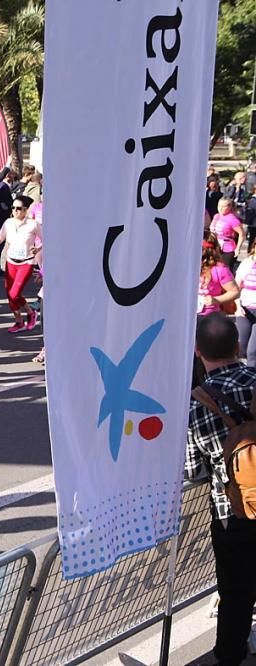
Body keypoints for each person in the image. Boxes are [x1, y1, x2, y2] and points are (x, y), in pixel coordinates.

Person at [186, 313, 256, 666]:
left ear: (198, 352)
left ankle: (230, 655)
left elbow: (193, 469)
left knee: (235, 592)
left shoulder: (198, 403)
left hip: (234, 512)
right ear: (238, 345)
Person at [0, 195, 42, 333]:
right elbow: (0, 239)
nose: (15, 211)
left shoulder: (33, 224)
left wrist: (38, 248)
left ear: (25, 210)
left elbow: (47, 239)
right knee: (9, 294)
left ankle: (31, 313)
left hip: (26, 262)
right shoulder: (8, 222)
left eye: (19, 208)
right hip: (11, 261)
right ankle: (19, 321)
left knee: (14, 294)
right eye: (13, 208)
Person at [198, 235, 240, 318]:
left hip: (207, 316)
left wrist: (216, 300)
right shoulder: (188, 266)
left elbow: (235, 292)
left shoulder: (219, 269)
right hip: (186, 315)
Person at [212, 197, 244, 272]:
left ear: (229, 207)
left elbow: (242, 234)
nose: (220, 208)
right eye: (219, 206)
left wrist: (238, 248)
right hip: (216, 245)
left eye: (223, 206)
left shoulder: (233, 219)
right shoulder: (216, 216)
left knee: (225, 269)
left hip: (227, 247)